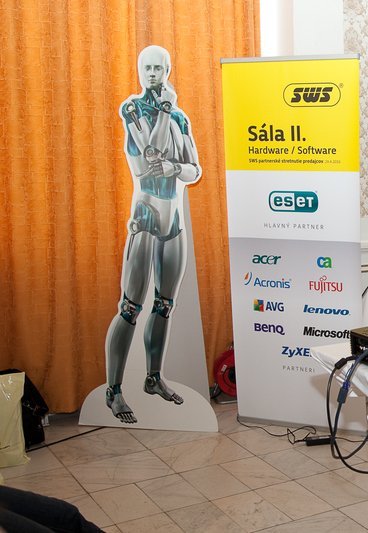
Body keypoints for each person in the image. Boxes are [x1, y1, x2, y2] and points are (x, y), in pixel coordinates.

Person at [104, 45, 202, 424]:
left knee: (164, 304)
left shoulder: (179, 116)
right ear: (139, 70)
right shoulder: (133, 110)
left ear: (168, 70)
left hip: (172, 217)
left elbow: (193, 169)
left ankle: (153, 378)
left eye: (159, 68)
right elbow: (149, 155)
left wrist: (175, 167)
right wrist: (163, 111)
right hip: (145, 215)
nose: (152, 74)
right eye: (147, 68)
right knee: (130, 306)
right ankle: (114, 390)